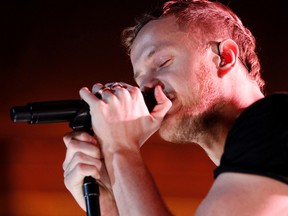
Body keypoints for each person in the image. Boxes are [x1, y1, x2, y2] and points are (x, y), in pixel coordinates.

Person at [62, 0, 288, 215]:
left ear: (225, 57)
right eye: (140, 79)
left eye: (163, 62)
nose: (146, 87)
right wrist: (111, 203)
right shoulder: (243, 171)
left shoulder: (279, 120)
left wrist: (120, 148)